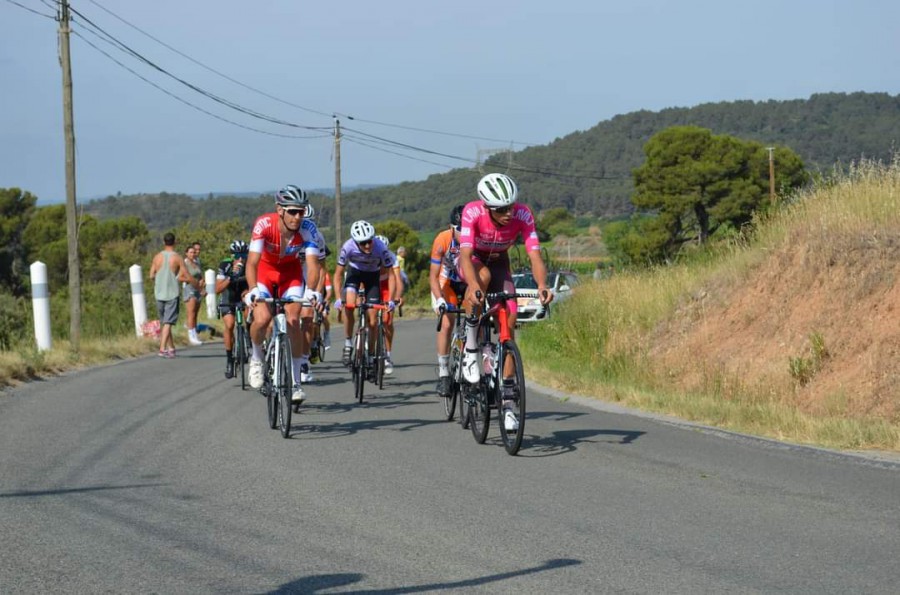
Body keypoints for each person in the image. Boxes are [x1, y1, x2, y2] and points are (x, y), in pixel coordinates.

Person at [457, 173, 553, 431]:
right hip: (473, 261)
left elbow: (534, 255)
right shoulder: (472, 212)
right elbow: (465, 254)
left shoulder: (523, 215)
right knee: (482, 279)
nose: (509, 213)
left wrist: (542, 285)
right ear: (487, 207)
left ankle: (509, 402)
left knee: (509, 315)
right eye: (501, 209)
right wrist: (474, 284)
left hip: (500, 261)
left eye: (510, 206)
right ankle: (471, 349)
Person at [244, 185, 322, 406]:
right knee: (262, 319)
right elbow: (252, 262)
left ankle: (295, 382)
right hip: (264, 273)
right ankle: (257, 358)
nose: (298, 217)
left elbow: (313, 265)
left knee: (293, 321)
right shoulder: (264, 224)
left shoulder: (308, 229)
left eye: (302, 211)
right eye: (293, 211)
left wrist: (312, 291)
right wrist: (252, 289)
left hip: (291, 275)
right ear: (280, 210)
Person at [333, 220, 396, 369]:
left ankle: (371, 354)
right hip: (354, 274)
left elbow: (392, 275)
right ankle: (348, 343)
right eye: (363, 243)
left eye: (369, 241)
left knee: (373, 321)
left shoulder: (380, 247)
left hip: (372, 278)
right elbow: (338, 274)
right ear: (356, 242)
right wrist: (337, 298)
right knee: (349, 305)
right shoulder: (348, 247)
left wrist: (391, 299)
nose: (367, 246)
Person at [429, 204, 466, 397]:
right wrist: (439, 300)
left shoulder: (477, 238)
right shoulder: (442, 240)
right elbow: (433, 277)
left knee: (475, 319)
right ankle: (444, 373)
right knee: (447, 322)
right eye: (460, 230)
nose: (464, 234)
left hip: (469, 282)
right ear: (452, 228)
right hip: (447, 282)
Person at [149, 232, 194, 358]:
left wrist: (160, 277)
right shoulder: (177, 257)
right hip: (172, 293)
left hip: (159, 293)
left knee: (165, 322)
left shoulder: (157, 257)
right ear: (175, 242)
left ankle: (171, 348)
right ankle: (162, 348)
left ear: (164, 242)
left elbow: (151, 275)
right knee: (168, 322)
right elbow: (185, 274)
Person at [215, 240, 250, 379]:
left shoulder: (250, 265)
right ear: (232, 256)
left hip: (243, 293)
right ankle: (230, 360)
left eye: (243, 255)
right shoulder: (225, 265)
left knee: (250, 314)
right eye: (237, 255)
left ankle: (248, 336)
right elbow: (218, 289)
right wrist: (230, 277)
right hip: (228, 295)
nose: (240, 258)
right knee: (229, 325)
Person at [374, 234, 404, 374]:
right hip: (372, 284)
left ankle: (387, 355)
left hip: (387, 286)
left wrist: (397, 297)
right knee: (371, 318)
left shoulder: (391, 257)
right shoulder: (369, 255)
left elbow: (397, 280)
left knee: (387, 320)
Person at [182, 243, 206, 346]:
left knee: (195, 312)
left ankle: (195, 333)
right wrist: (190, 280)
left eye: (194, 252)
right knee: (191, 312)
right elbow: (180, 277)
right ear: (187, 253)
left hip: (198, 289)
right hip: (189, 288)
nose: (194, 253)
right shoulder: (184, 263)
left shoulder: (197, 262)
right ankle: (191, 335)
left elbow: (200, 274)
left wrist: (202, 283)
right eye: (191, 252)